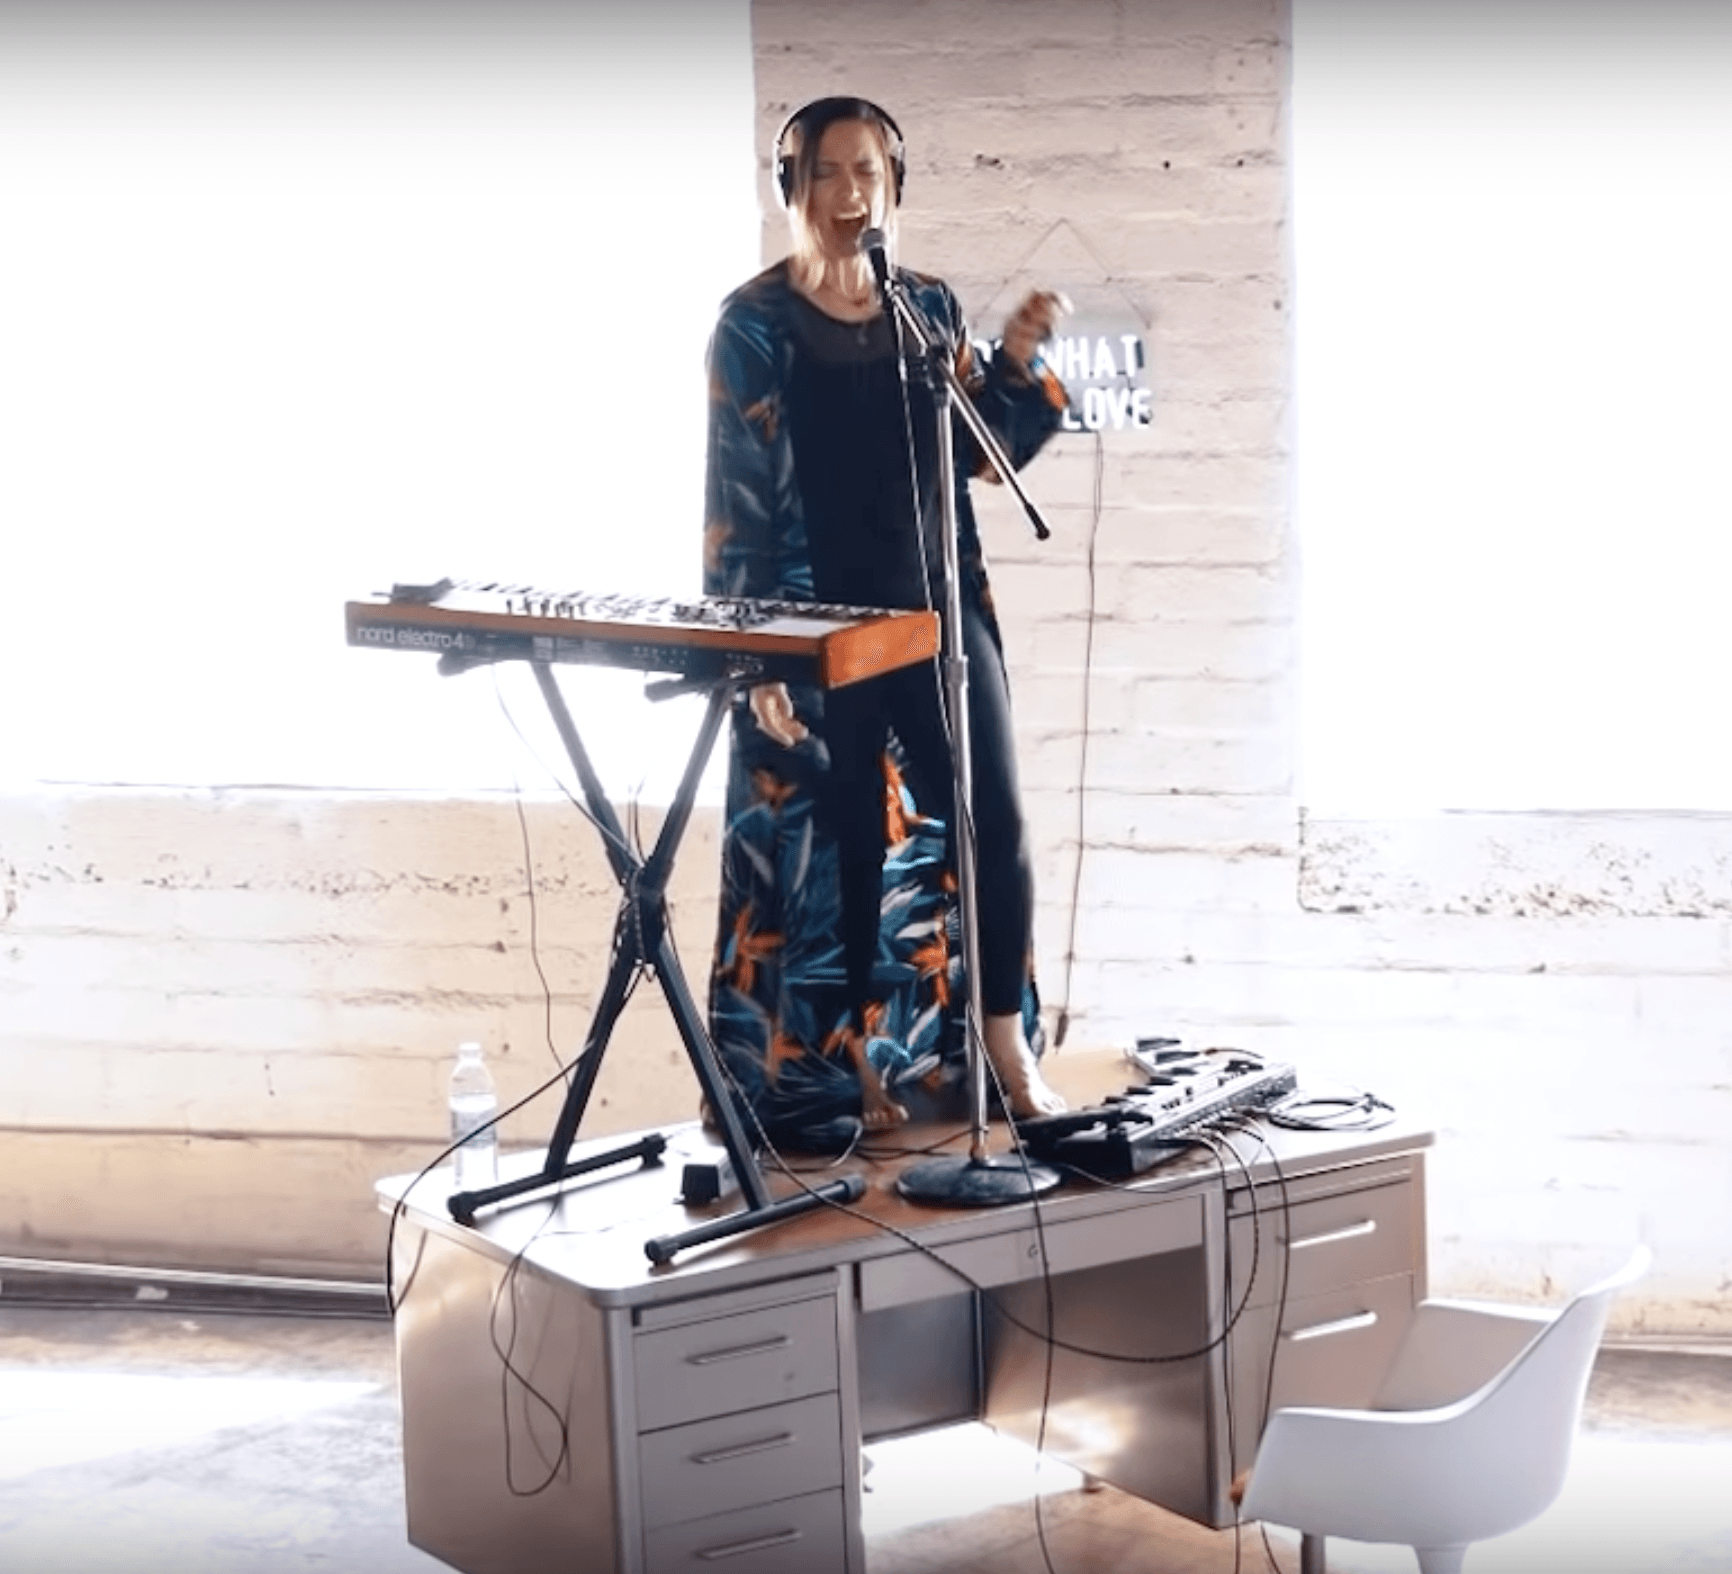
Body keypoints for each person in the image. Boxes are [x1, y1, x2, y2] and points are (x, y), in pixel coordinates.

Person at [703, 95, 1067, 1145]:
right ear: (793, 189)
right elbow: (737, 499)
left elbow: (985, 450)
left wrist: (1018, 360)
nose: (849, 191)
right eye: (826, 171)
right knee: (848, 838)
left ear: (892, 185)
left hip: (940, 611)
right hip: (820, 629)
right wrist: (756, 659)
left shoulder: (926, 309)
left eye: (867, 170)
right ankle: (854, 1056)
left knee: (992, 819)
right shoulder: (752, 326)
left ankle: (1001, 1042)